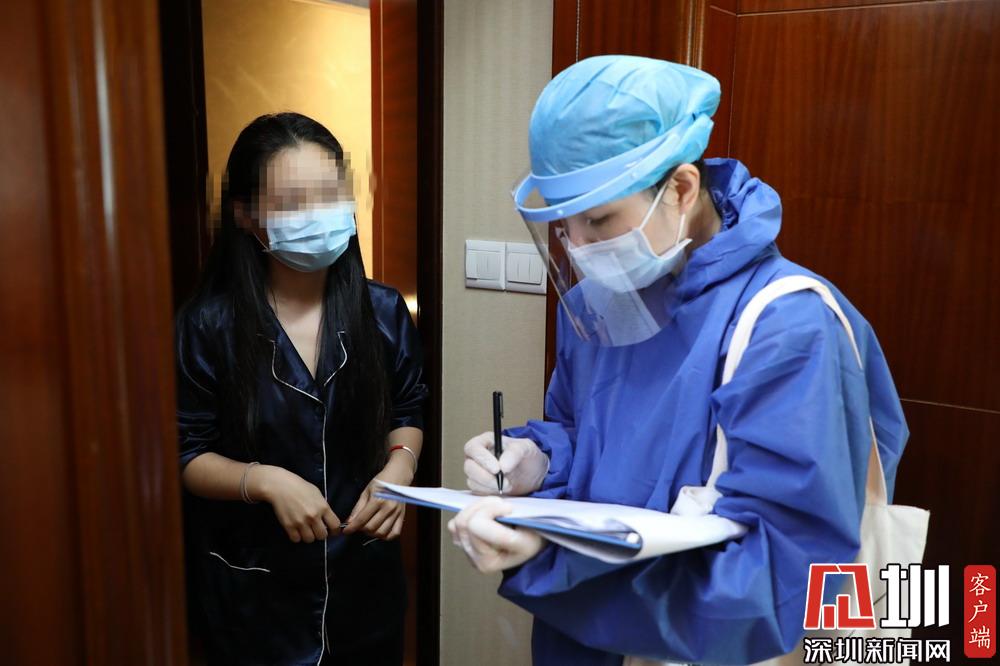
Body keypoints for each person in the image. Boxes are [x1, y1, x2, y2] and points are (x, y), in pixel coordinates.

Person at [450, 56, 908, 665]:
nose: (580, 247)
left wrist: (549, 561)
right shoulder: (597, 307)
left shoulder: (788, 326)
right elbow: (592, 441)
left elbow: (782, 578)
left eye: (598, 219)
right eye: (564, 226)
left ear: (683, 190)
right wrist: (538, 461)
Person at [176, 112, 427, 665]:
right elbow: (187, 453)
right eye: (293, 202)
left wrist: (399, 471)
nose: (316, 214)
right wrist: (262, 481)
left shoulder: (384, 311)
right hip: (256, 599)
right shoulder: (207, 326)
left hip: (366, 589)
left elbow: (408, 410)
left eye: (330, 195)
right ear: (245, 215)